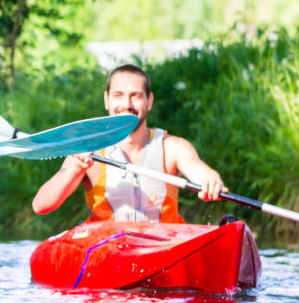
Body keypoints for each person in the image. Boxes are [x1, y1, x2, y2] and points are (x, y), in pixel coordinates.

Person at [31, 64, 225, 222]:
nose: (127, 104)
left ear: (149, 101)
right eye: (118, 95)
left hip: (164, 247)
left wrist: (211, 181)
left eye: (136, 95)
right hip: (107, 251)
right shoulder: (88, 151)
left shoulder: (173, 147)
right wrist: (74, 170)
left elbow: (201, 172)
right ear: (107, 100)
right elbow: (41, 205)